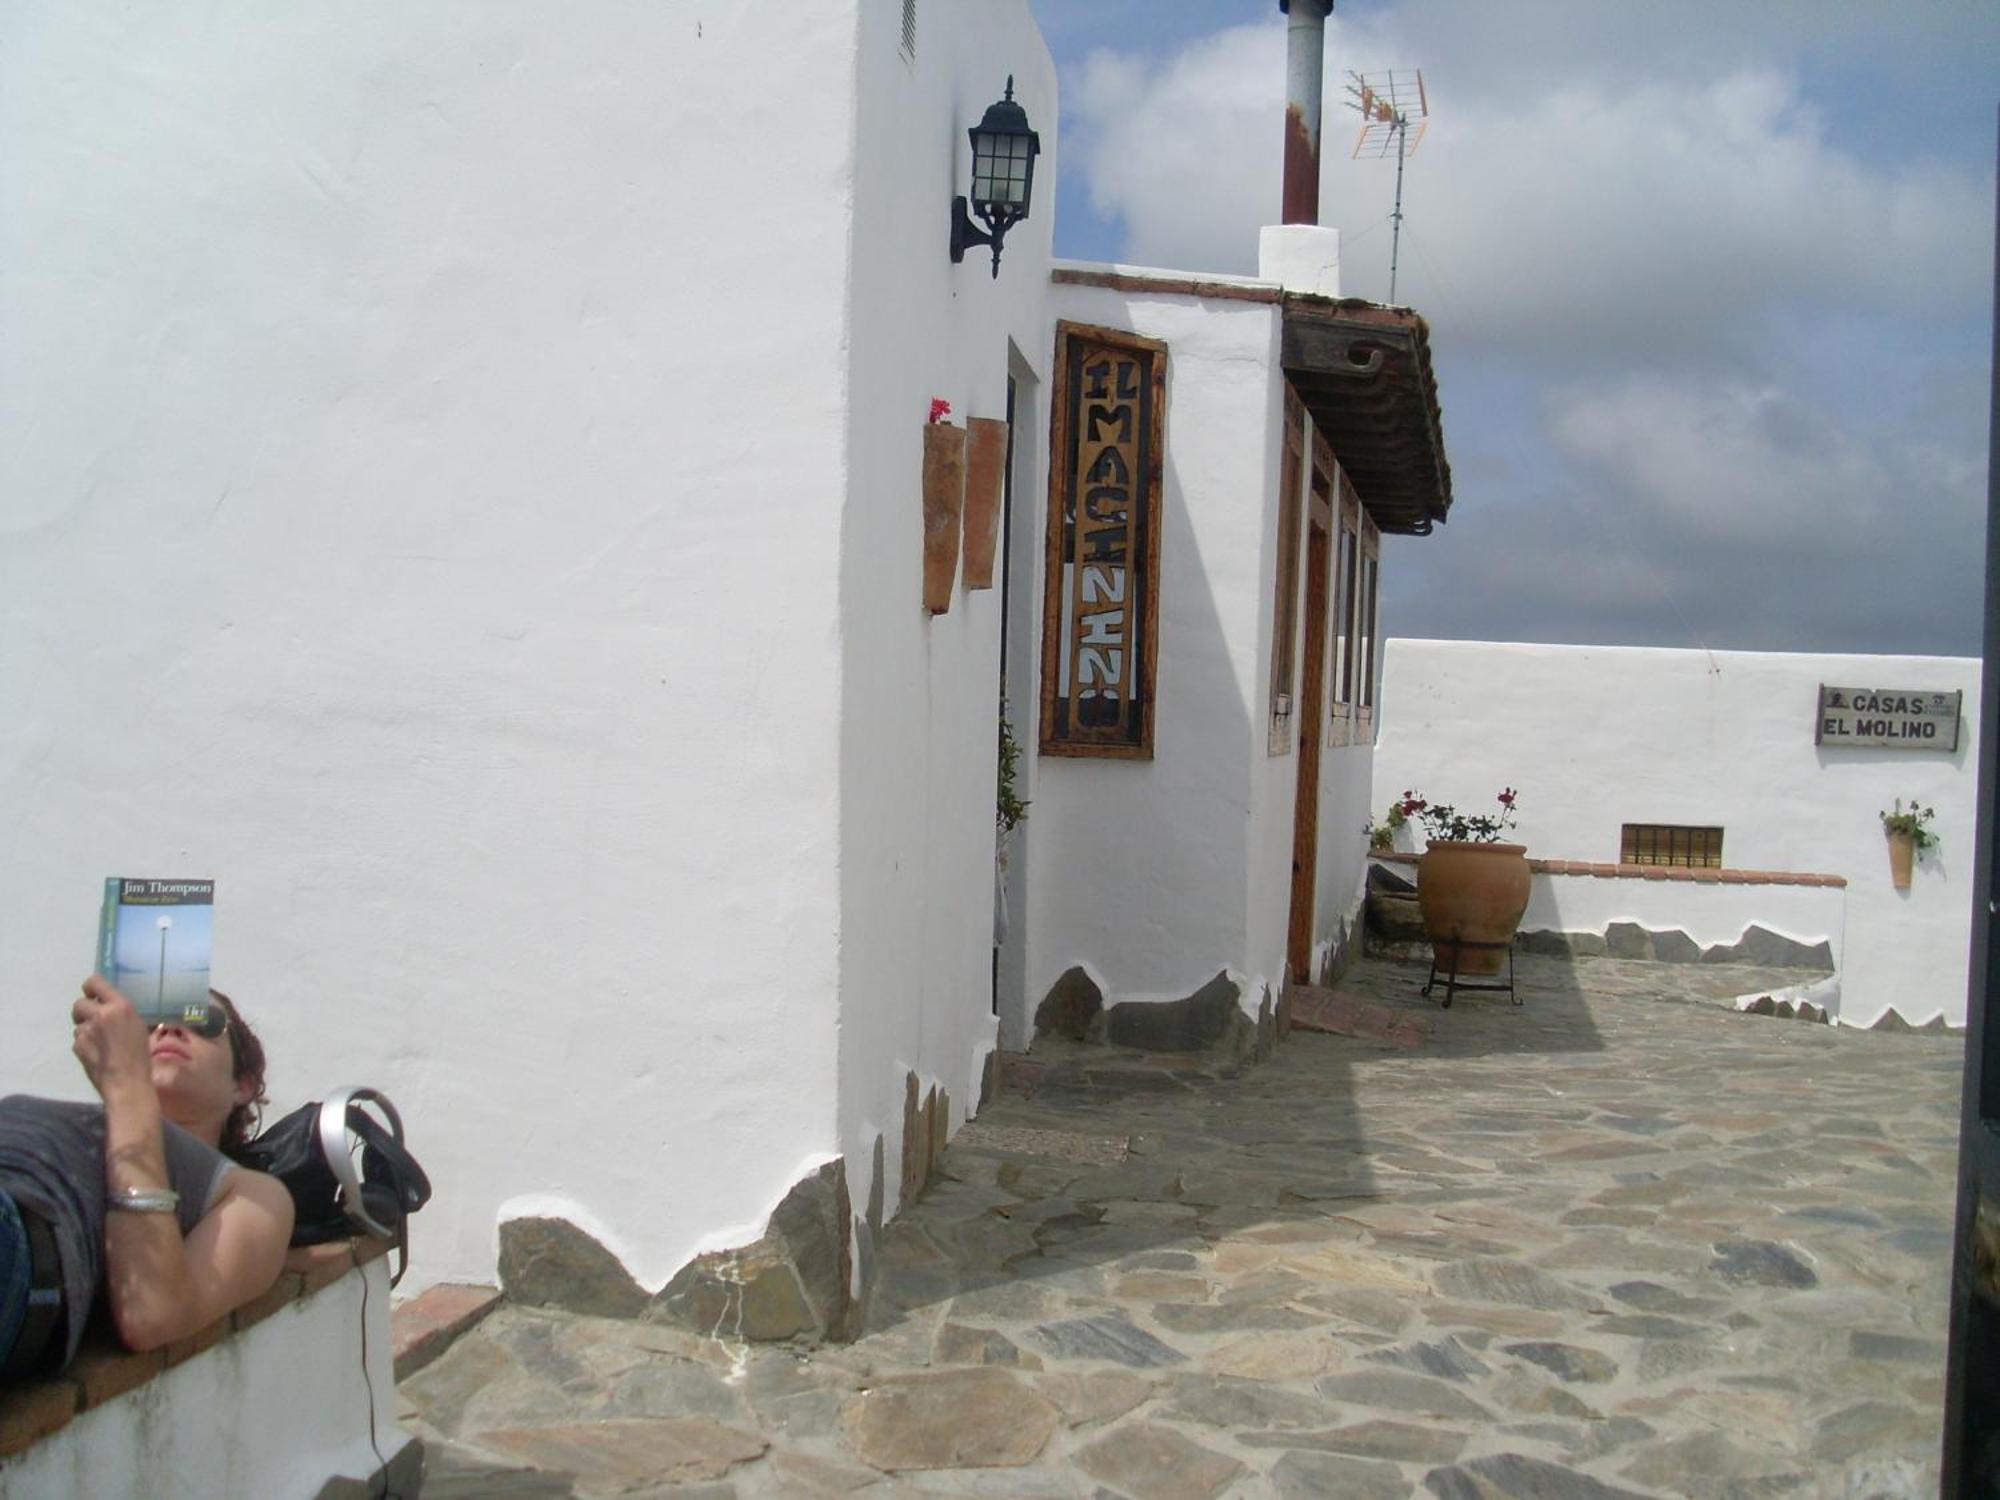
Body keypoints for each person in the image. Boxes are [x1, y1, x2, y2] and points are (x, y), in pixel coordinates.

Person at [0, 976, 295, 1380]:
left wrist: (126, 1087)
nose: (169, 1029)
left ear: (241, 1086)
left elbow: (152, 1314)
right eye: (147, 1023)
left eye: (203, 1021)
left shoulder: (254, 1194)